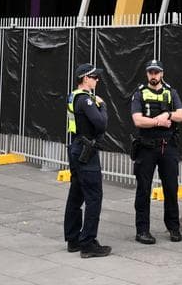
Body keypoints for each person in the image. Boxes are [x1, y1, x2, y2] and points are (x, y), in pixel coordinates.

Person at [130, 59, 182, 244]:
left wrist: (167, 115)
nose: (154, 76)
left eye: (156, 72)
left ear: (162, 74)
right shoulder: (139, 94)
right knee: (143, 189)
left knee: (171, 188)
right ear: (147, 74)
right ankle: (142, 231)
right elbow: (137, 120)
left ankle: (174, 228)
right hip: (146, 147)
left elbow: (181, 115)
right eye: (151, 72)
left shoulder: (171, 92)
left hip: (168, 146)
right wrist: (157, 122)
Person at [63, 63, 111, 258]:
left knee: (76, 195)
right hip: (86, 152)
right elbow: (101, 124)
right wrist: (103, 105)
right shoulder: (86, 100)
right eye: (94, 77)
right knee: (94, 197)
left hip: (76, 148)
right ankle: (88, 243)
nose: (97, 80)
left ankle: (73, 239)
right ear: (85, 78)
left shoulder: (73, 96)